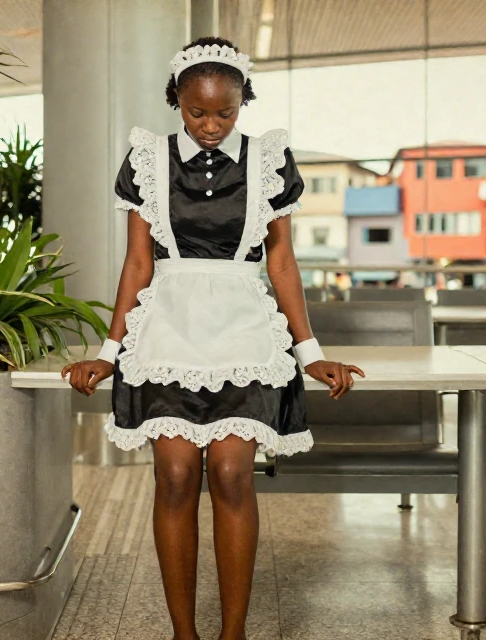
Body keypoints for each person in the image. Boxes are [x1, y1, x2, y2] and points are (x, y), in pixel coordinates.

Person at [62, 38, 364, 640]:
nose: (210, 124)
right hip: (167, 329)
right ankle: (184, 634)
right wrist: (107, 352)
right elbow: (137, 265)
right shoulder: (146, 158)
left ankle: (233, 634)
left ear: (241, 102)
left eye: (224, 112)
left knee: (230, 475)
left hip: (245, 330)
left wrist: (310, 353)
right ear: (176, 99)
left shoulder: (269, 158)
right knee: (174, 477)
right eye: (197, 112)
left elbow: (281, 263)